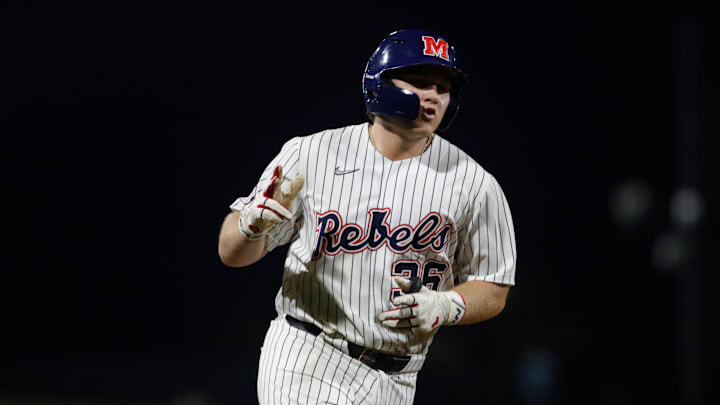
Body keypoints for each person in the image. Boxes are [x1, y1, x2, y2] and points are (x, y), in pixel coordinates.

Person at [218, 28, 517, 405]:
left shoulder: (475, 183)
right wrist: (248, 226)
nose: (433, 97)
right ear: (379, 83)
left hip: (400, 377)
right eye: (421, 82)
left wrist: (448, 305)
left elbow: (493, 285)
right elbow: (231, 253)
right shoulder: (311, 153)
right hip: (308, 354)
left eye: (443, 88)